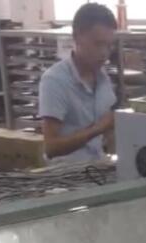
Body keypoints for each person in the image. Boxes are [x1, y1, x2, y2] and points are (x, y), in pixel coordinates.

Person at [38, 3, 117, 163]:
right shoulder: (55, 80)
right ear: (77, 37)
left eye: (109, 46)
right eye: (98, 44)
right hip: (67, 173)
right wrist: (98, 129)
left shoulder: (103, 78)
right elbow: (51, 147)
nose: (104, 53)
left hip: (98, 165)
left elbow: (109, 132)